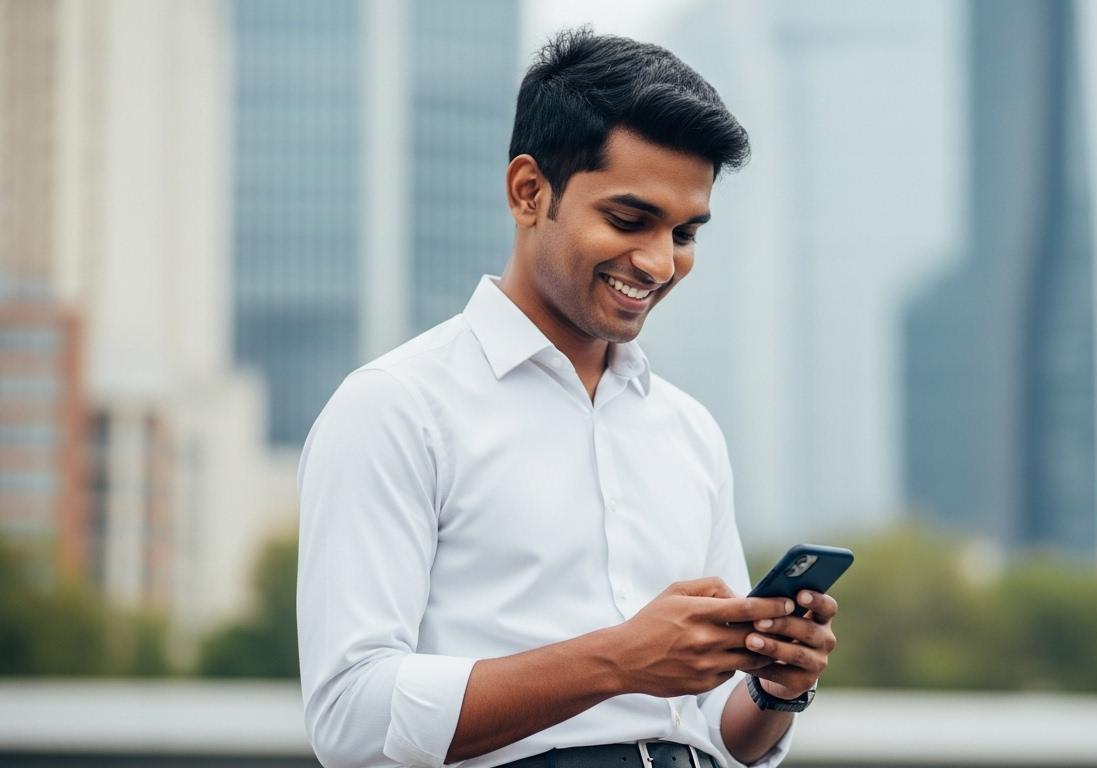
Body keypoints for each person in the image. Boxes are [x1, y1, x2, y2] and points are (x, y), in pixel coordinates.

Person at [296, 28, 840, 768]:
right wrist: (619, 660)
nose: (659, 261)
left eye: (685, 232)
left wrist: (776, 690)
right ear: (529, 192)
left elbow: (718, 728)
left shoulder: (688, 430)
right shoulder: (395, 408)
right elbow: (351, 720)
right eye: (628, 219)